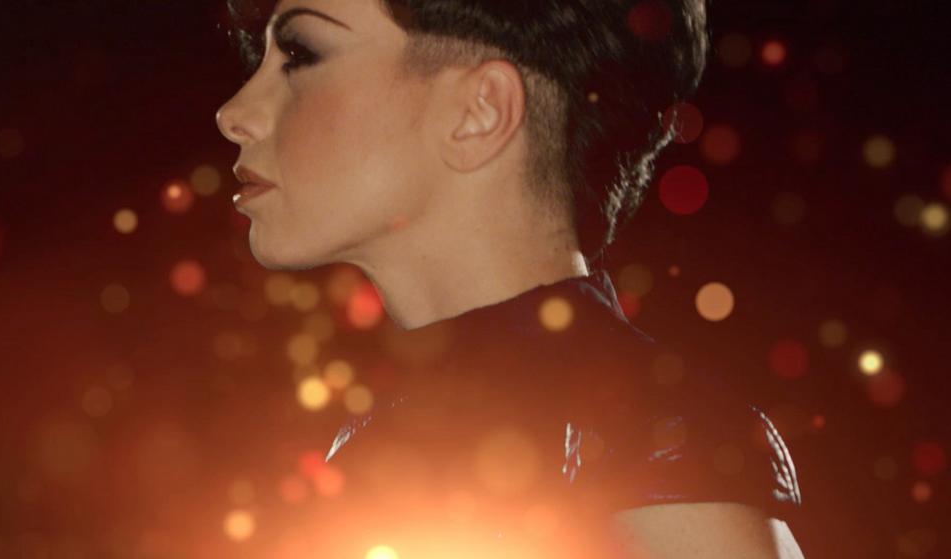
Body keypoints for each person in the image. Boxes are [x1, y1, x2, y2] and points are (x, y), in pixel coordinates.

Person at [215, 0, 806, 556]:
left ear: (480, 110)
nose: (234, 115)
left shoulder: (650, 436)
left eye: (301, 54)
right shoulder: (378, 427)